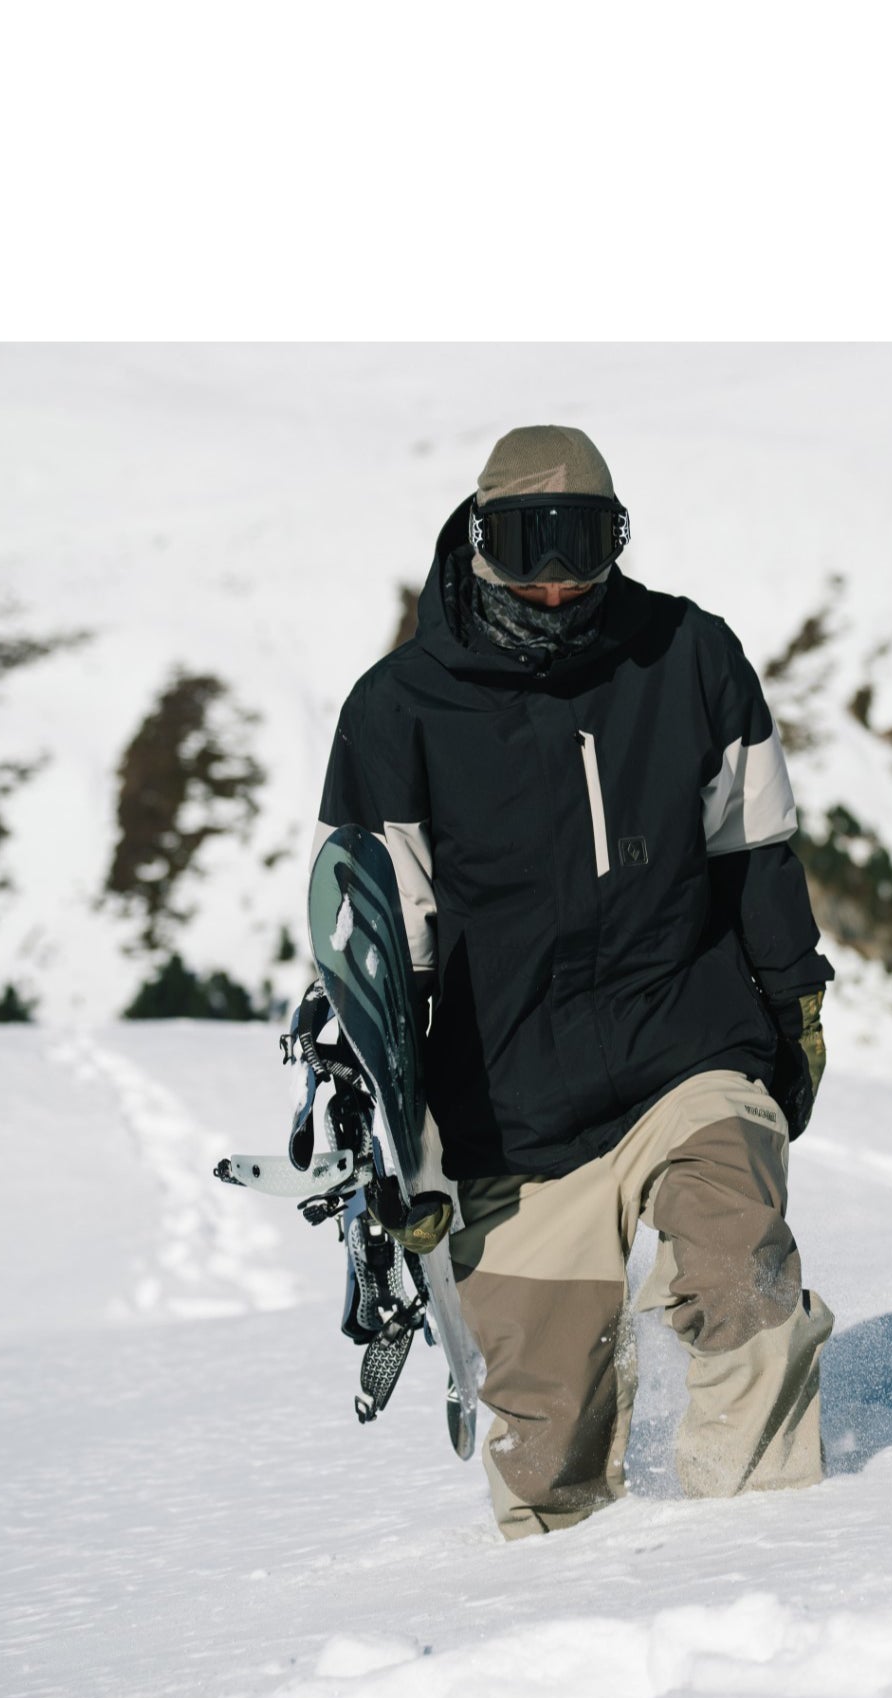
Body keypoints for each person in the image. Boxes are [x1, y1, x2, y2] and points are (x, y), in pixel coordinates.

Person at [313, 425, 834, 1539]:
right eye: (525, 544)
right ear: (477, 538)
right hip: (508, 1116)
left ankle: (772, 1557)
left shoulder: (687, 656)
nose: (554, 579)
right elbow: (384, 947)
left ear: (618, 541)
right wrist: (398, 1139)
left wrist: (792, 1006)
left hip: (684, 1051)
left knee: (739, 1270)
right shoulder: (399, 712)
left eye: (583, 545)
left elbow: (755, 853)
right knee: (549, 1451)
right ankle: (575, 1614)